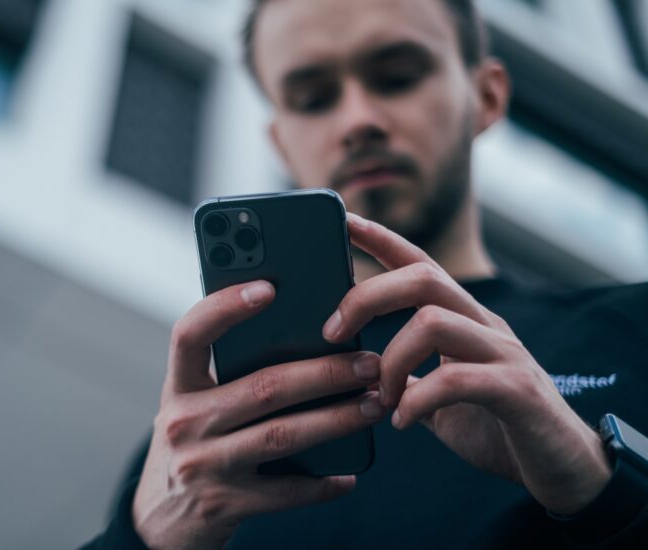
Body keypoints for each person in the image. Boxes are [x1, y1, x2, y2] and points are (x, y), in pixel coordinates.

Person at [82, 0, 648, 547]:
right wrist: (139, 539)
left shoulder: (634, 328)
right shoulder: (200, 445)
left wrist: (601, 485)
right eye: (312, 98)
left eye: (398, 77)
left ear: (485, 95)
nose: (358, 121)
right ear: (282, 141)